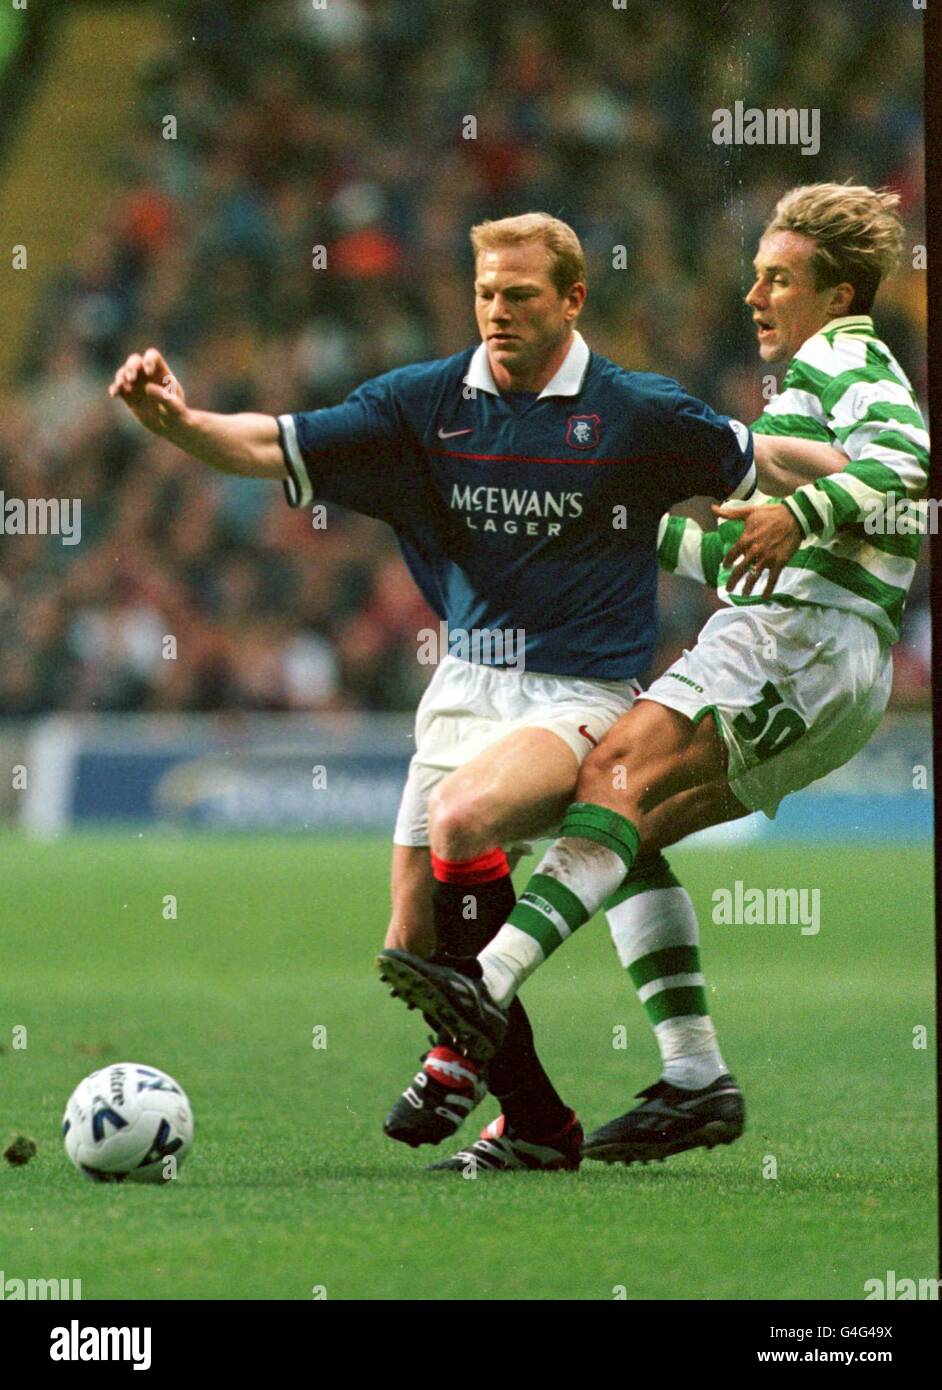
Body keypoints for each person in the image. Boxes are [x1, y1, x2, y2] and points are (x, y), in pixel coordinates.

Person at [110, 211, 841, 1172]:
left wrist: (868, 492)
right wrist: (184, 422)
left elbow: (774, 462)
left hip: (581, 693)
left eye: (521, 294)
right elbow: (269, 445)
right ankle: (537, 1123)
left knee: (463, 820)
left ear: (573, 299)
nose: (498, 311)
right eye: (486, 293)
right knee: (415, 948)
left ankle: (460, 1055)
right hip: (461, 687)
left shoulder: (635, 411)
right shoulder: (422, 403)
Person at [376, 183, 929, 1169]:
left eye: (779, 279)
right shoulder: (811, 377)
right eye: (753, 275)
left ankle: (483, 993)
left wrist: (795, 516)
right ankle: (694, 1079)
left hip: (796, 641)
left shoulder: (845, 352)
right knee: (630, 826)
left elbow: (911, 463)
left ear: (839, 292)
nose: (755, 296)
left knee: (613, 777)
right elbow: (741, 551)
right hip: (824, 649)